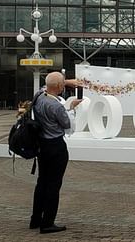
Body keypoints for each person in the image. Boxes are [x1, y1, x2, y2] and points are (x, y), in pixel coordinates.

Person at [29, 71, 82, 234]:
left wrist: (64, 82)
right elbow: (67, 125)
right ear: (59, 87)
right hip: (56, 147)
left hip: (42, 146)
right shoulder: (56, 106)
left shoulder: (38, 97)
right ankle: (48, 223)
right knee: (54, 185)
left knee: (42, 183)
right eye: (63, 84)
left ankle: (36, 219)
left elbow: (47, 85)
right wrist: (72, 108)